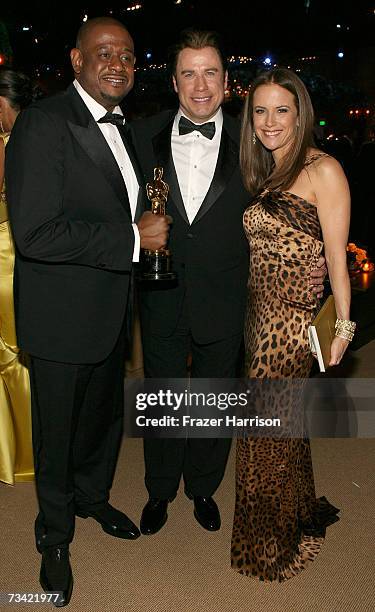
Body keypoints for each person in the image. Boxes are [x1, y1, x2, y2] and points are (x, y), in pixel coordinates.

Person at [130, 30, 326, 537]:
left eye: (210, 72)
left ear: (226, 81)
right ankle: (160, 488)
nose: (200, 85)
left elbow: (297, 202)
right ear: (174, 82)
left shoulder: (254, 141)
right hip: (160, 295)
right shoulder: (140, 134)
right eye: (189, 73)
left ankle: (201, 486)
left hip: (226, 295)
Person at [6, 17, 169, 607]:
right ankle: (53, 536)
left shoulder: (127, 131)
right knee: (58, 435)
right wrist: (132, 242)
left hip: (110, 311)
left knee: (100, 421)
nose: (117, 63)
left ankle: (93, 497)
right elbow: (36, 233)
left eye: (127, 54)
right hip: (60, 318)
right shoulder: (43, 124)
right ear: (76, 60)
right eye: (104, 53)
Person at [231, 68, 353, 582]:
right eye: (260, 110)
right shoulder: (267, 170)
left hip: (290, 328)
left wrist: (343, 329)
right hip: (257, 317)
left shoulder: (324, 170)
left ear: (300, 113)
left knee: (264, 435)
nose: (270, 121)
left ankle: (271, 546)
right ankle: (299, 514)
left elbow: (336, 259)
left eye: (282, 109)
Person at [0, 67, 37, 485]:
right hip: (24, 257)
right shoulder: (40, 137)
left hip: (5, 258)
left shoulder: (7, 143)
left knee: (10, 357)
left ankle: (23, 453)